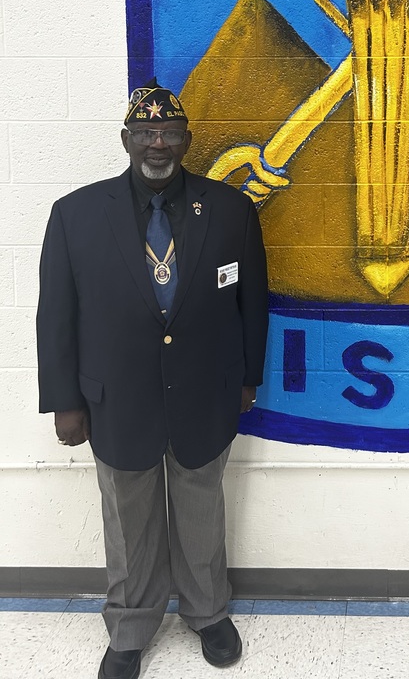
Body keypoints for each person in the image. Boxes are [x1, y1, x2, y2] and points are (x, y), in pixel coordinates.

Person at [37, 81, 269, 679]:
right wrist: (64, 401)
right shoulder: (75, 215)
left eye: (168, 133)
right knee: (129, 517)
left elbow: (252, 304)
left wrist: (249, 377)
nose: (157, 144)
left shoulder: (231, 211)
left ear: (187, 141)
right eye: (145, 134)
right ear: (126, 140)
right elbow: (56, 315)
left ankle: (207, 613)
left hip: (206, 394)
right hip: (116, 400)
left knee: (200, 509)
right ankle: (132, 627)